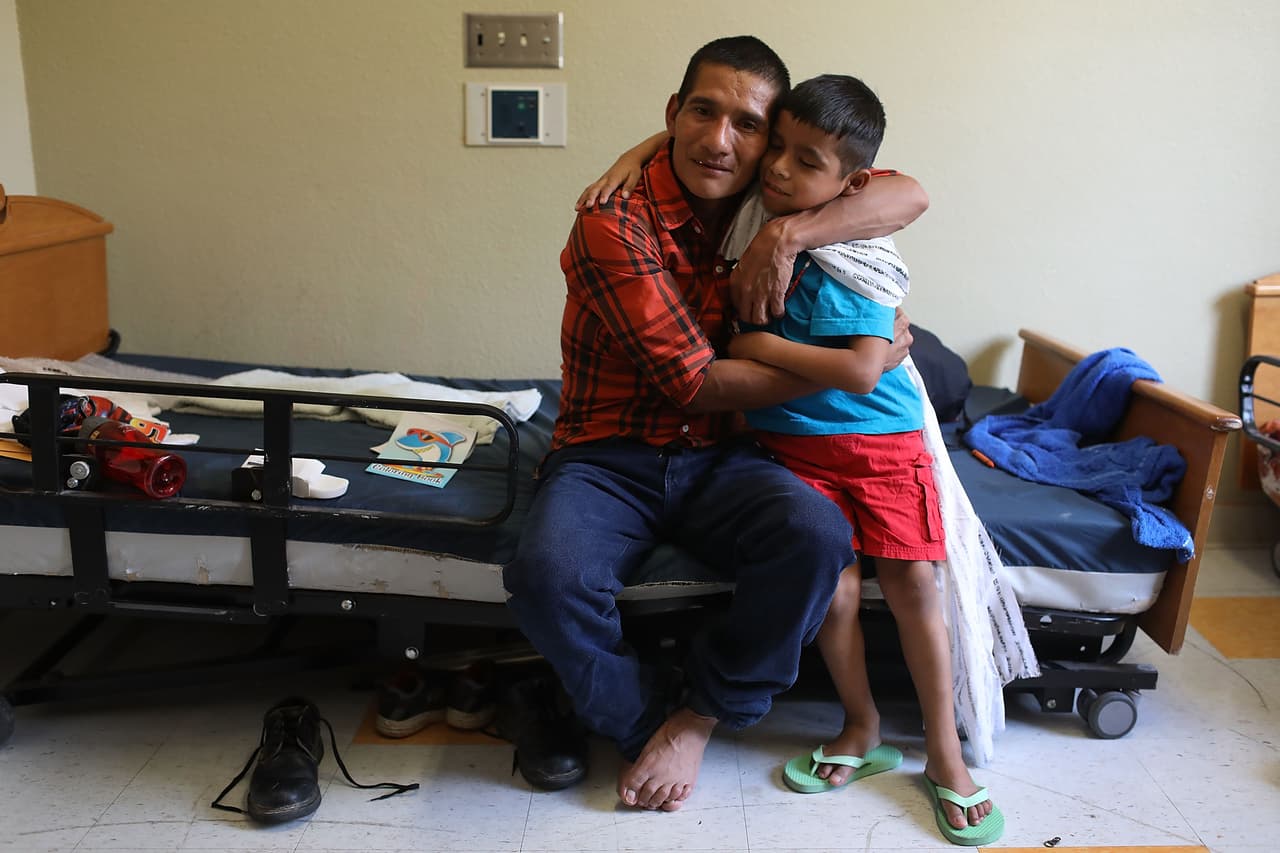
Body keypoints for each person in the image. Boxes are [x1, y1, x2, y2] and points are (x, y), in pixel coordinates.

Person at [502, 36, 927, 813]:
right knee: (545, 576)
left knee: (815, 533)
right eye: (703, 111)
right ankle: (643, 718)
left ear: (774, 141)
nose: (720, 140)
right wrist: (854, 367)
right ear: (673, 114)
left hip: (726, 455)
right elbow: (694, 382)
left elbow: (909, 192)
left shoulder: (771, 196)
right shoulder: (613, 221)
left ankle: (703, 711)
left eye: (747, 123)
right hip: (609, 455)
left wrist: (785, 234)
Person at [722, 73, 1002, 846]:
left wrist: (755, 344)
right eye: (775, 146)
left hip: (880, 446)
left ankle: (944, 752)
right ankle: (861, 726)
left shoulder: (862, 254)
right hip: (794, 449)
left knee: (915, 582)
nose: (777, 167)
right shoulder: (751, 226)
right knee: (835, 593)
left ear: (851, 183)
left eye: (804, 160)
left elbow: (858, 369)